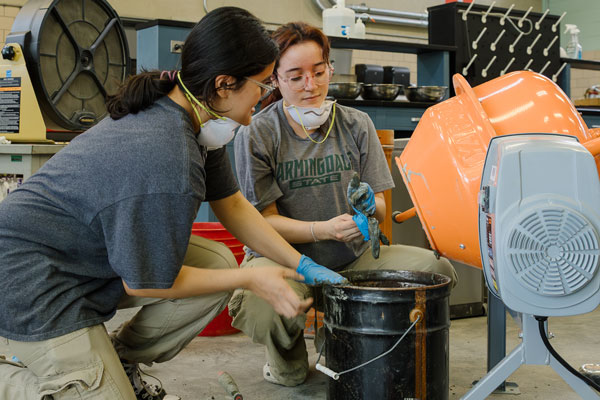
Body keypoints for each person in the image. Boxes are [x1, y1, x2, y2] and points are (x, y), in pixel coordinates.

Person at [0, 8, 345, 400]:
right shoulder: (169, 155)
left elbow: (231, 204)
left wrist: (298, 262)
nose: (269, 95)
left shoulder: (196, 112)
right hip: (30, 282)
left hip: (84, 256)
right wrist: (250, 277)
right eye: (264, 84)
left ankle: (117, 358)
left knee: (216, 264)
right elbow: (146, 284)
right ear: (225, 84)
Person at [229, 21, 458, 387]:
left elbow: (382, 208)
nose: (311, 85)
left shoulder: (356, 123)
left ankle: (341, 331)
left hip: (352, 259)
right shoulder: (258, 133)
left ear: (330, 69)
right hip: (287, 261)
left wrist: (369, 212)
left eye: (319, 72)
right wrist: (320, 230)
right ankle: (285, 360)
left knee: (436, 270)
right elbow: (260, 222)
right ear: (274, 81)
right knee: (263, 310)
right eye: (296, 76)